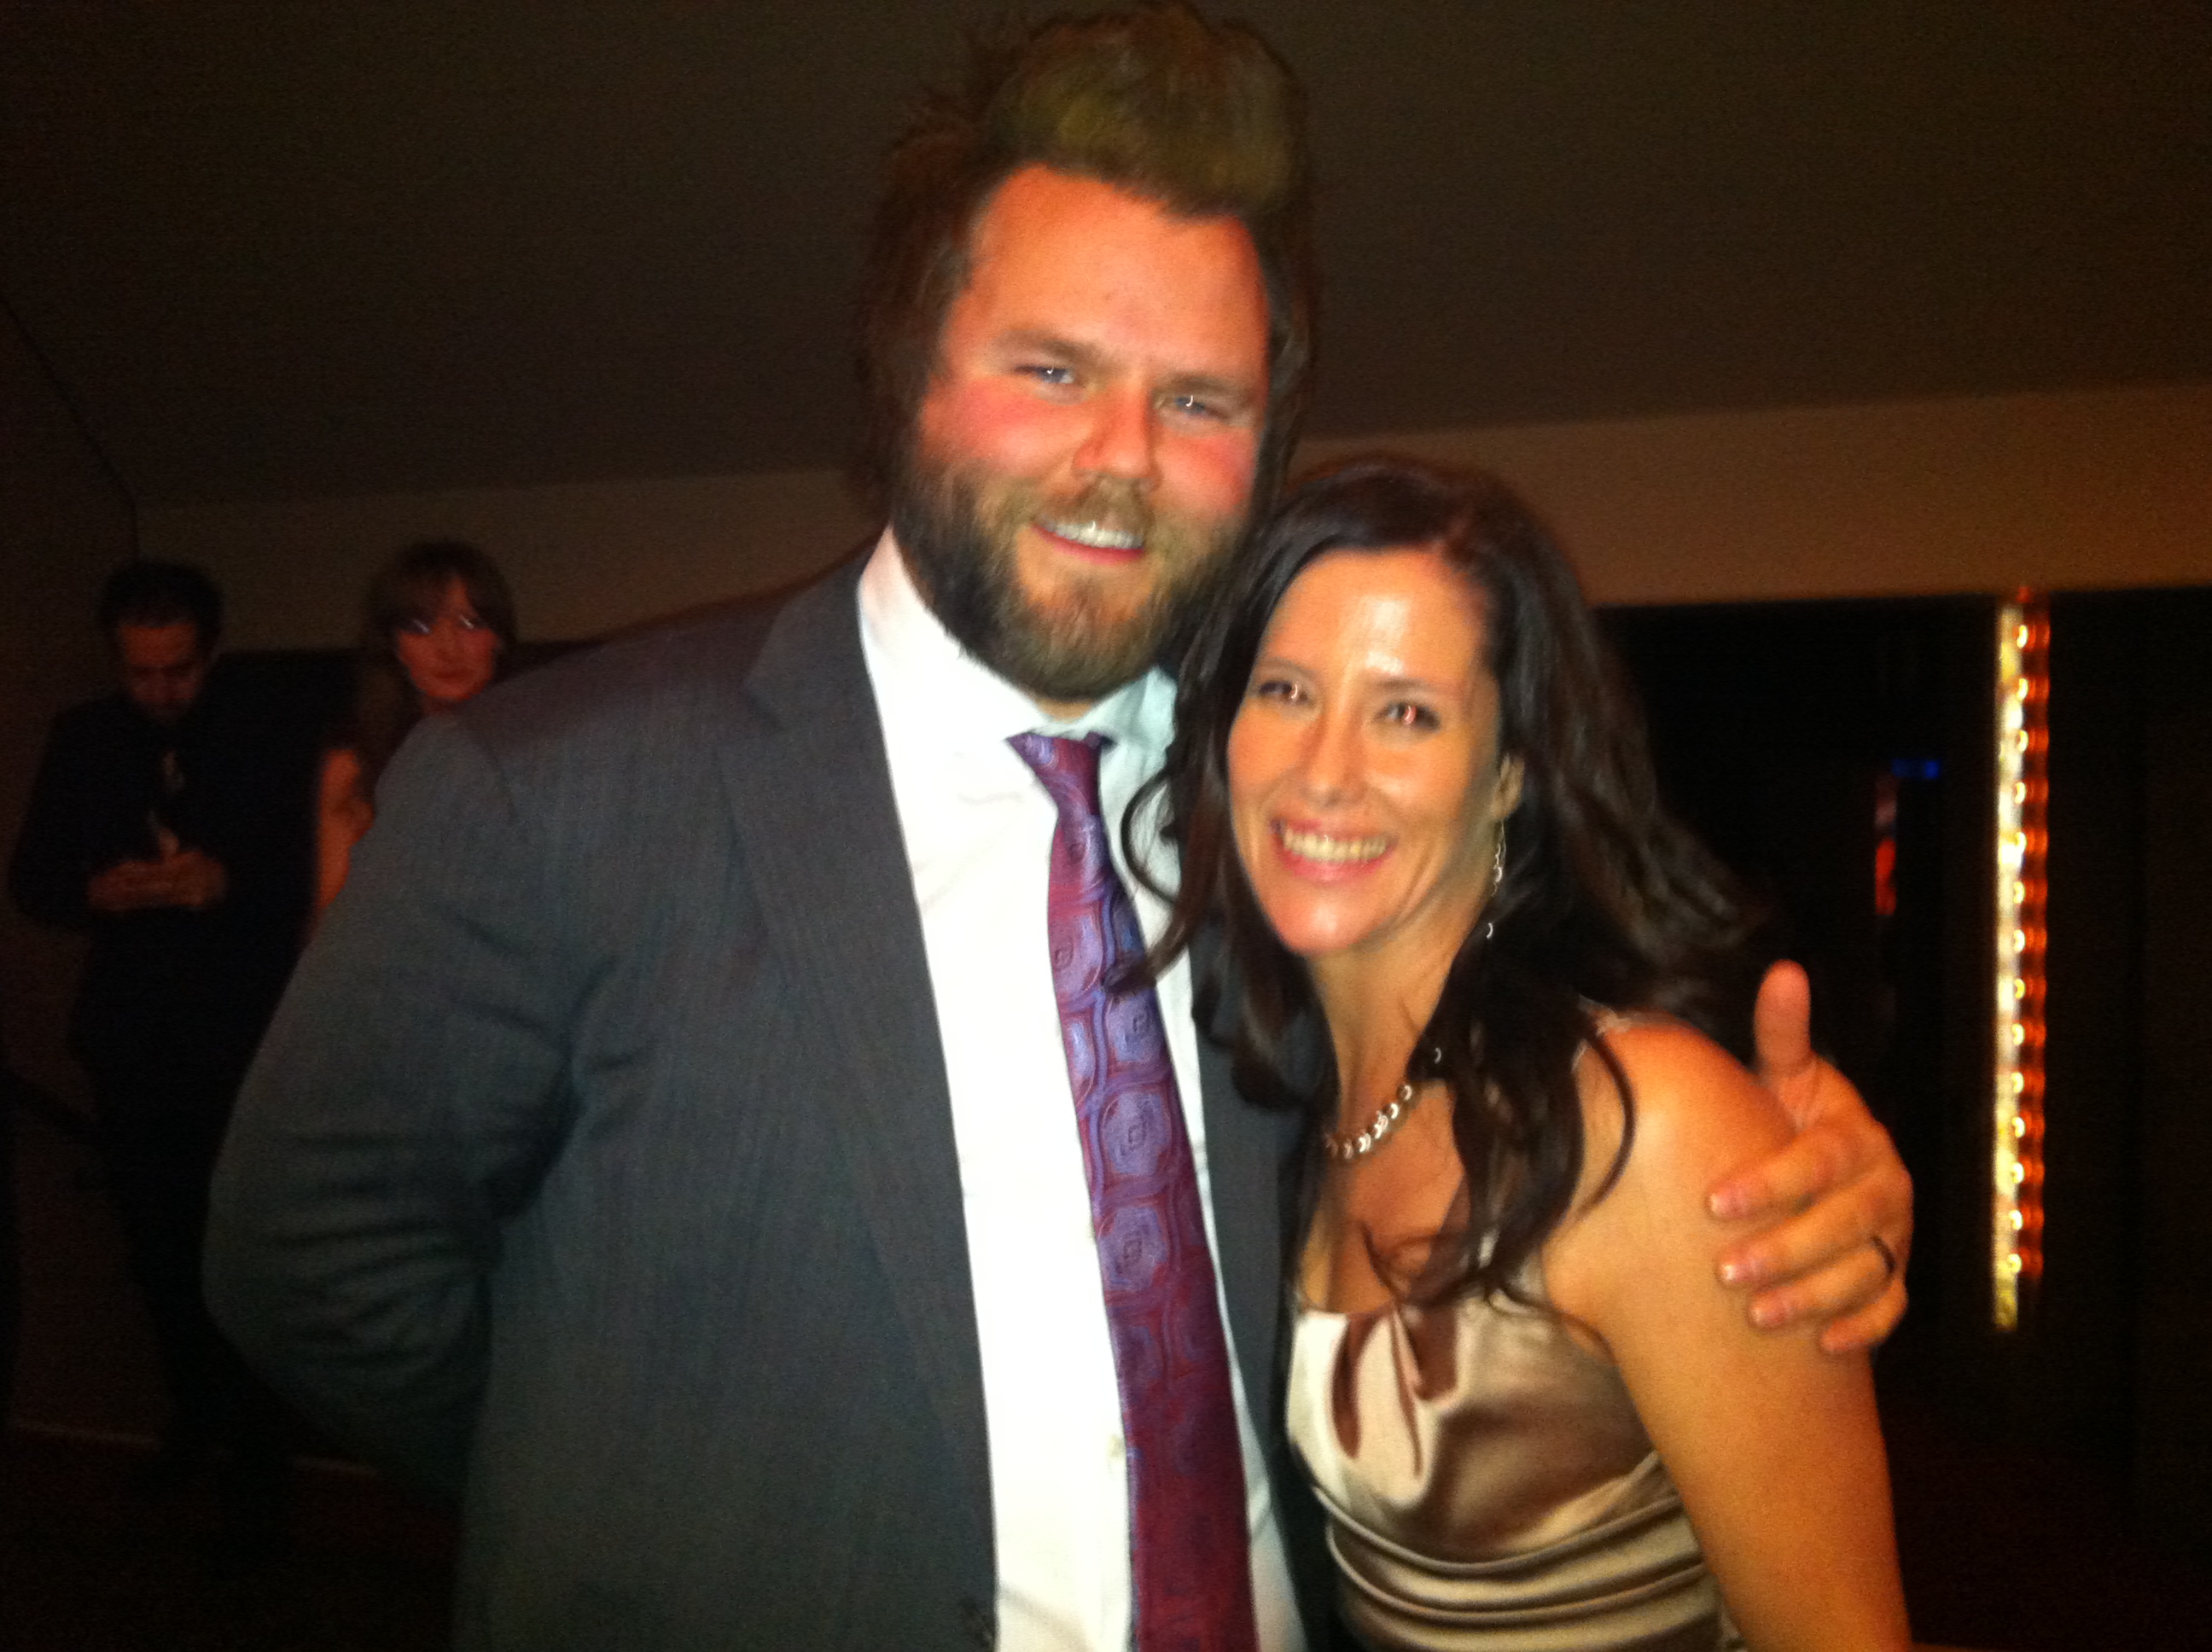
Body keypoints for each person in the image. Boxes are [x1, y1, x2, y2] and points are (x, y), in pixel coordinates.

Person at [206, 9, 1911, 1648]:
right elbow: (309, 1257)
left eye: (1200, 400)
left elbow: (1520, 1117)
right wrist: (627, 1496)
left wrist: (1787, 1198)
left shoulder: (1281, 811)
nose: (1121, 459)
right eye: (1052, 368)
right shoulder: (562, 791)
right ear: (911, 383)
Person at [1150, 457, 1911, 1649]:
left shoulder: (1639, 1127)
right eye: (1287, 691)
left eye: (1406, 711)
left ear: (1509, 775)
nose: (1325, 769)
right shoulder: (1271, 1092)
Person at [9, 561, 305, 1548]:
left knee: (246, 1252)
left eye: (177, 670)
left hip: (240, 1036)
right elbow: (35, 879)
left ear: (210, 654)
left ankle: (260, 1456)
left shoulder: (268, 729)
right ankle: (194, 1422)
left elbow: (318, 878)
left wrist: (223, 880)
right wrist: (102, 892)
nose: (160, 691)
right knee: (158, 1252)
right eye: (141, 673)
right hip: (133, 1038)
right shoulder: (87, 738)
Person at [315, 540, 516, 916]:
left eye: (470, 623)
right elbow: (331, 917)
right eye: (421, 627)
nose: (447, 648)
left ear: (499, 636)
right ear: (393, 644)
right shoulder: (357, 762)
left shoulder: (543, 751)